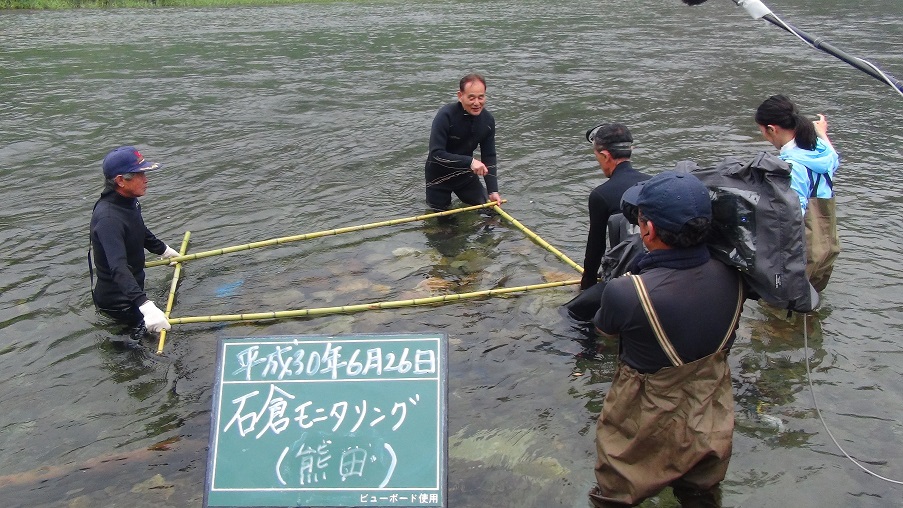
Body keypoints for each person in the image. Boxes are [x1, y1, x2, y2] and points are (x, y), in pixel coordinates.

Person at [589, 171, 745, 507]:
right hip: (711, 408)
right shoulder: (736, 274)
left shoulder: (627, 291)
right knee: (700, 495)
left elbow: (605, 329)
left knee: (616, 495)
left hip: (644, 417)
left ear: (648, 229)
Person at [89, 146, 179, 343]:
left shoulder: (128, 201)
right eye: (140, 175)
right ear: (121, 180)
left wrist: (163, 250)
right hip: (118, 305)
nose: (146, 180)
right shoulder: (109, 219)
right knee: (141, 350)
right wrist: (145, 305)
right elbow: (118, 268)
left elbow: (137, 228)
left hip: (133, 290)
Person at [755, 94, 840, 292]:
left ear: (771, 129)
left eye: (762, 131)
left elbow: (794, 216)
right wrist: (822, 133)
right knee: (811, 300)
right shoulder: (820, 150)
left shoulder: (791, 167)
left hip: (806, 251)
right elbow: (834, 159)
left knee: (779, 305)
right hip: (827, 245)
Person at [580, 123, 650, 291]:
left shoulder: (601, 195)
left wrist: (587, 285)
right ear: (631, 149)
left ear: (605, 155)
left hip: (625, 278)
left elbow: (596, 248)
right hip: (655, 269)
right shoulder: (653, 182)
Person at [424, 73, 501, 211]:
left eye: (481, 97)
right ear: (460, 96)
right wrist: (470, 162)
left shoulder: (488, 121)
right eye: (471, 98)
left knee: (491, 213)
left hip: (464, 175)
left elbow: (489, 156)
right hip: (438, 178)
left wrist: (492, 190)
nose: (476, 103)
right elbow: (436, 154)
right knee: (445, 222)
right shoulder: (445, 115)